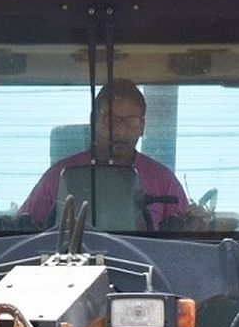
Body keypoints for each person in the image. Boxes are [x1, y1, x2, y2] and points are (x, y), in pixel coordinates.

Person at [19, 79, 202, 231]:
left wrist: (196, 225)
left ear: (142, 126)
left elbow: (184, 244)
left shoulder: (164, 181)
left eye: (131, 121)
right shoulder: (58, 175)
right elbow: (23, 228)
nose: (120, 131)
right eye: (112, 120)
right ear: (94, 120)